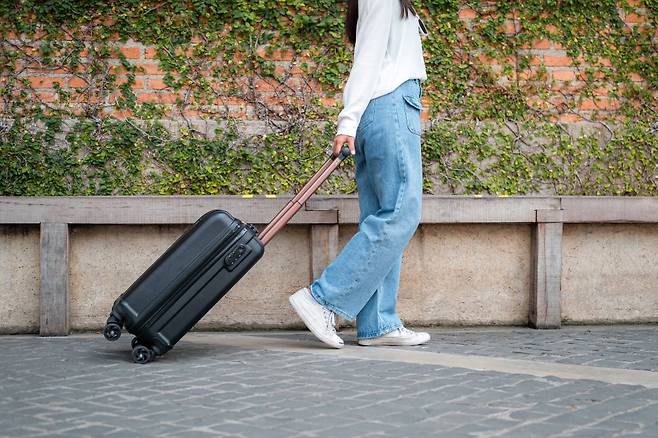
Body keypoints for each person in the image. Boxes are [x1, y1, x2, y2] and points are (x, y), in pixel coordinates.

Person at [289, 0, 430, 348]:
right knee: (400, 213)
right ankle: (322, 298)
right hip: (391, 107)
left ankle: (378, 322)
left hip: (381, 110)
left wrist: (353, 120)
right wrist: (347, 121)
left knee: (382, 217)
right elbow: (367, 58)